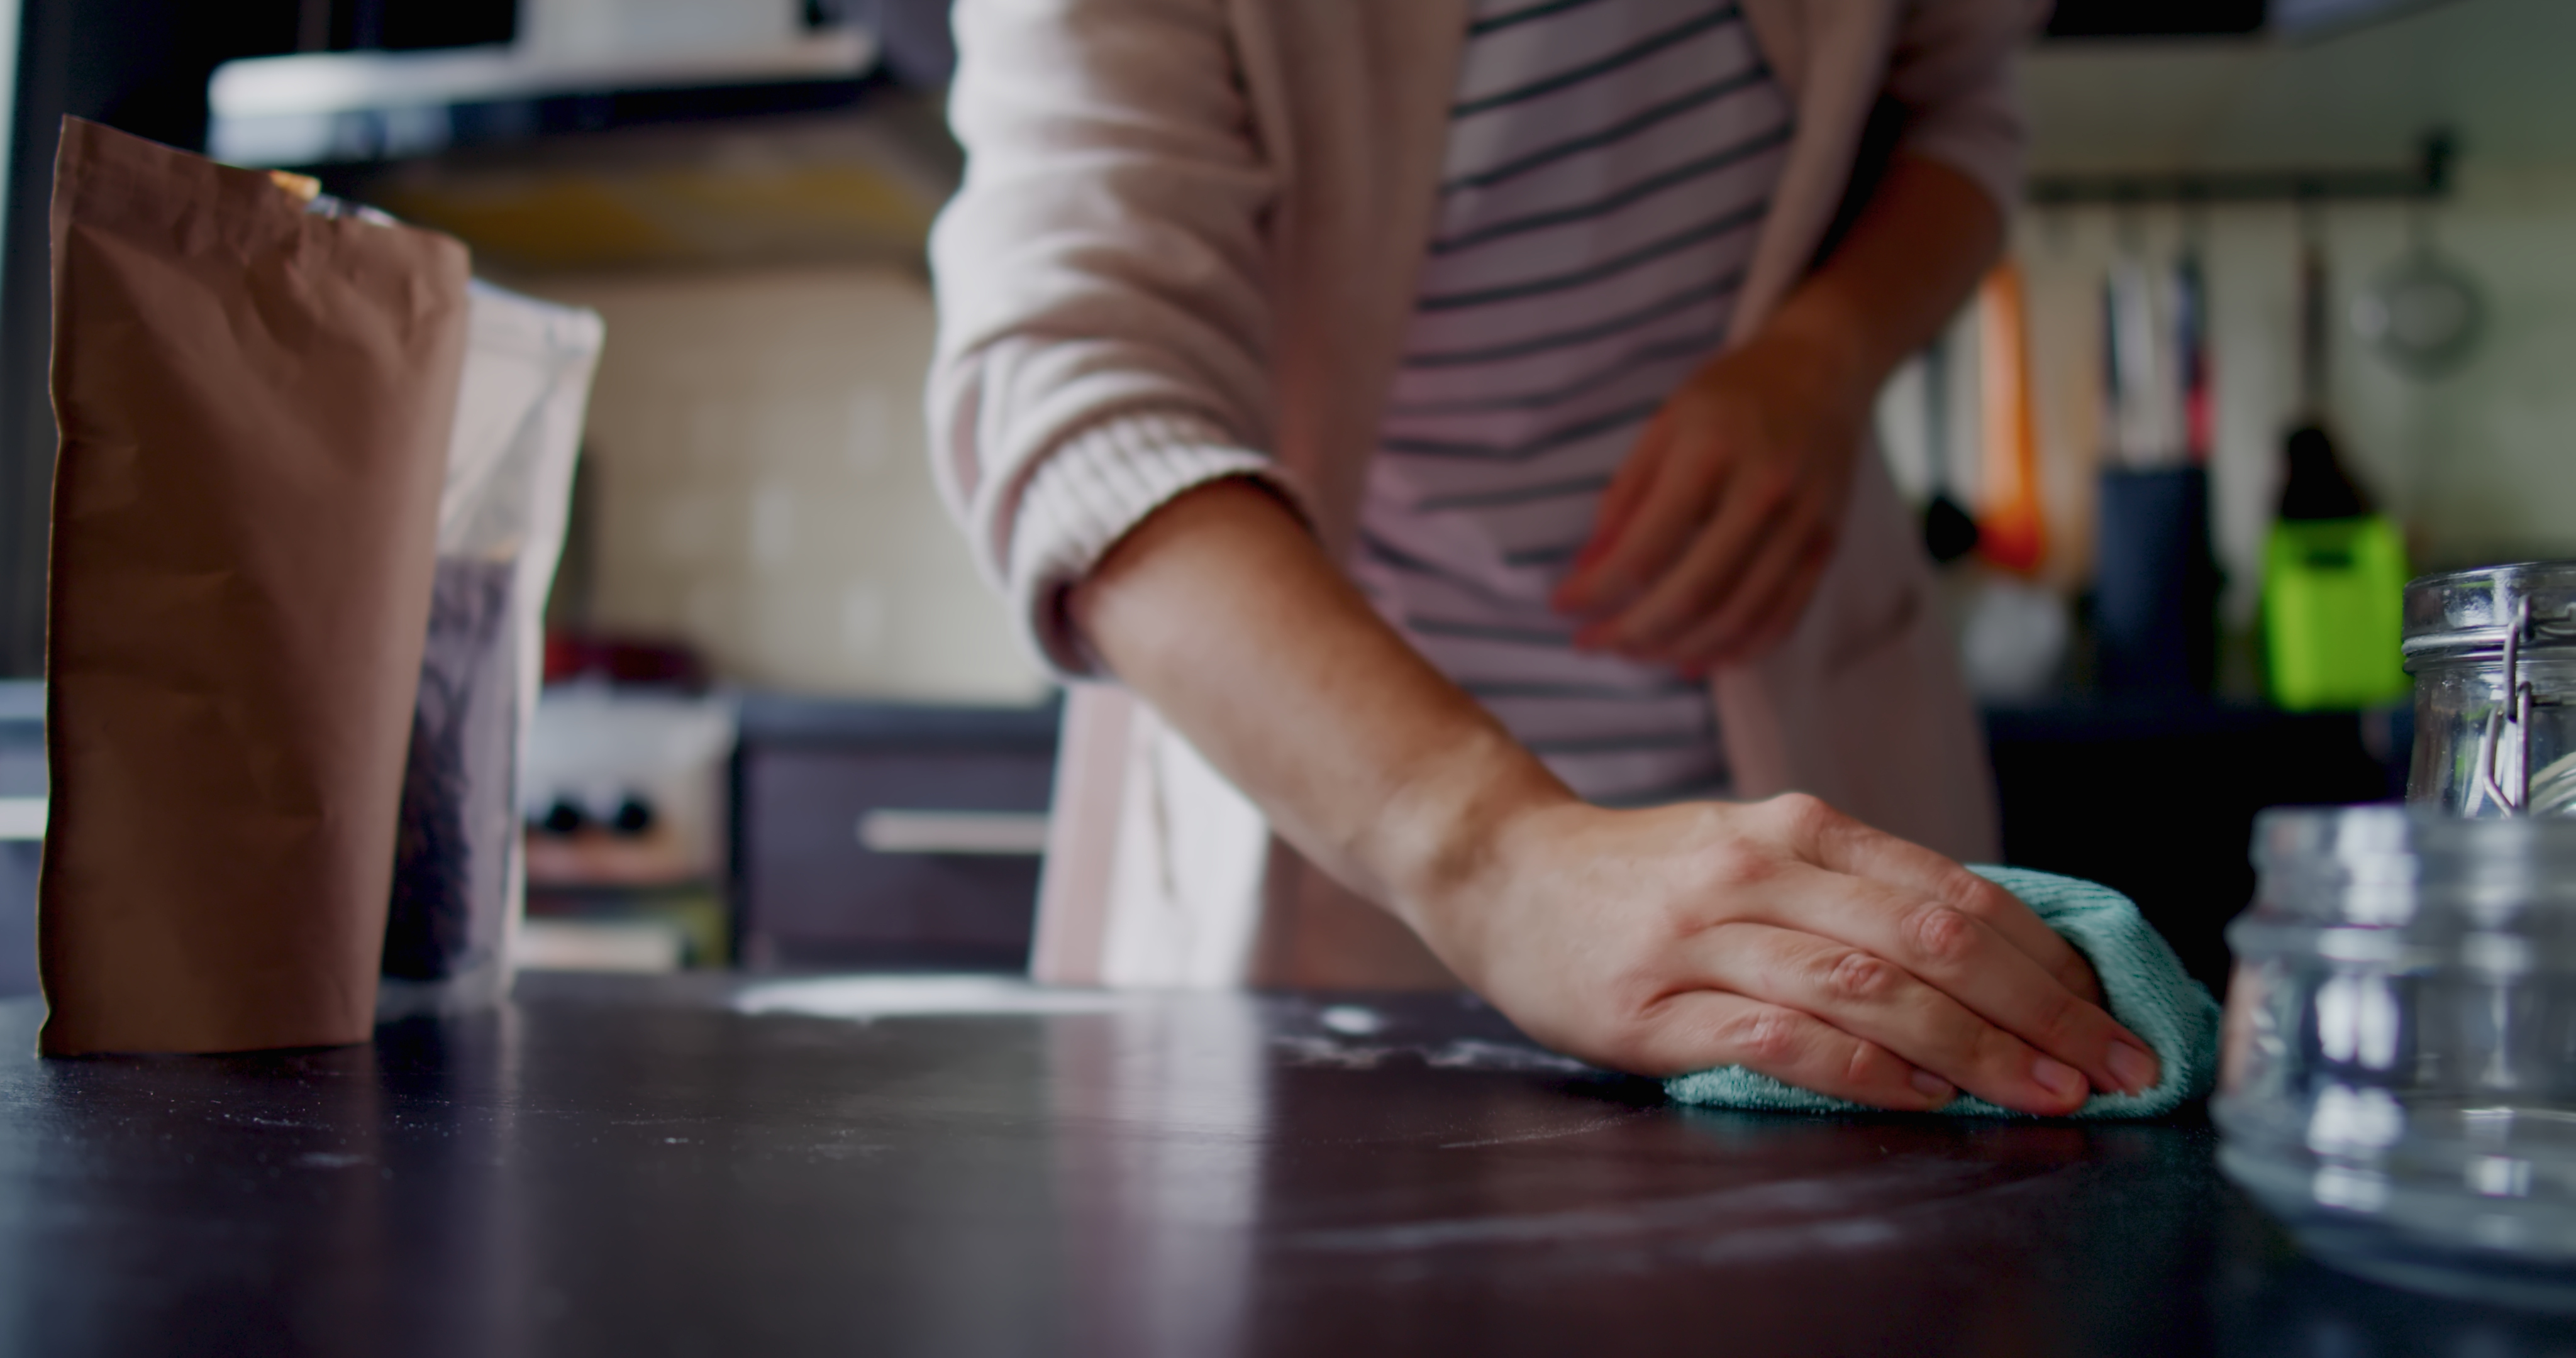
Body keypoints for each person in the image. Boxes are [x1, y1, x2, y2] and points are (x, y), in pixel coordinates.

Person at [926, 0, 2162, 1115]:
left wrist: (1823, 357)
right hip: (1333, 839)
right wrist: (1500, 860)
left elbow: (1953, 115)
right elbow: (1080, 402)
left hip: (1817, 798)